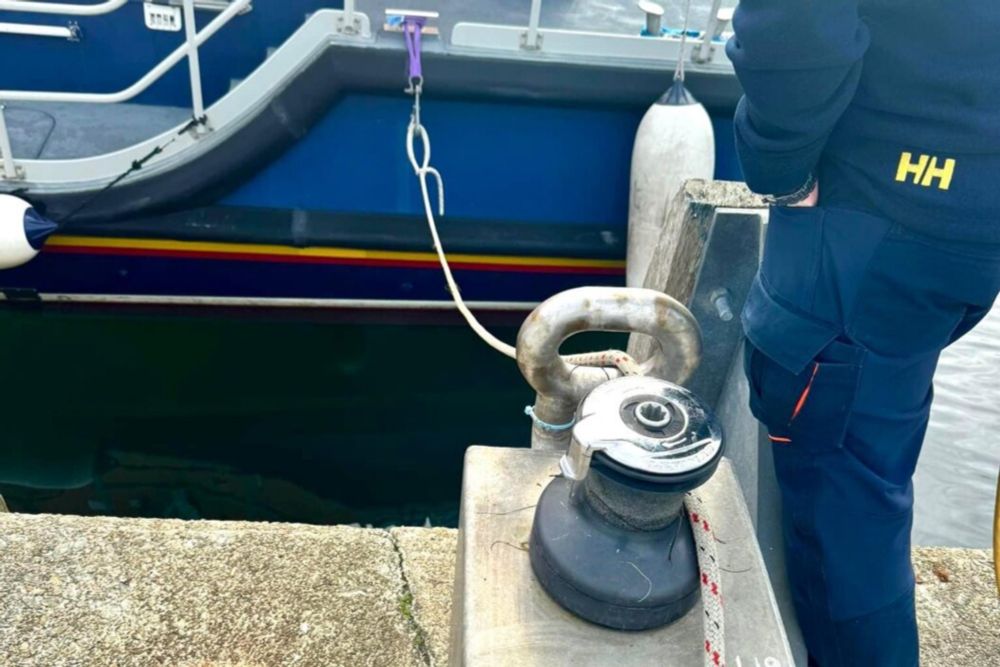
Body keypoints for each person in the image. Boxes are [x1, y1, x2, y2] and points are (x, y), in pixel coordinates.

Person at [726, 2, 1000, 665]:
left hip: (870, 209)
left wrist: (781, 167)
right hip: (964, 211)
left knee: (848, 521)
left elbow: (794, 20)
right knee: (873, 464)